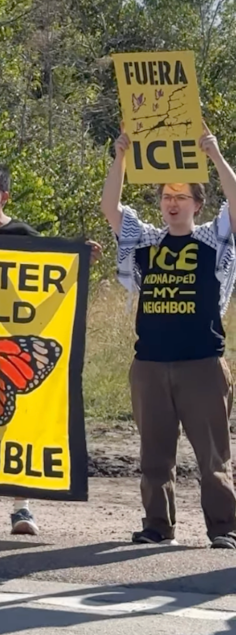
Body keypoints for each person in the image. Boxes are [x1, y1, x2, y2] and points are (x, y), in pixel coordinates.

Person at [0, 161, 101, 536]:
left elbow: (49, 275)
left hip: (12, 348)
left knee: (16, 427)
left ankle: (22, 510)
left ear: (3, 195)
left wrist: (79, 257)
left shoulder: (23, 234)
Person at [100, 123, 236, 549]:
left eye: (181, 197)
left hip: (202, 363)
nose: (172, 204)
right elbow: (110, 206)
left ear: (197, 203)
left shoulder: (213, 240)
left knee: (212, 458)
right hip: (150, 363)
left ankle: (225, 528)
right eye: (166, 196)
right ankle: (157, 525)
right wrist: (120, 157)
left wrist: (213, 155)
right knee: (154, 456)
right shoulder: (145, 239)